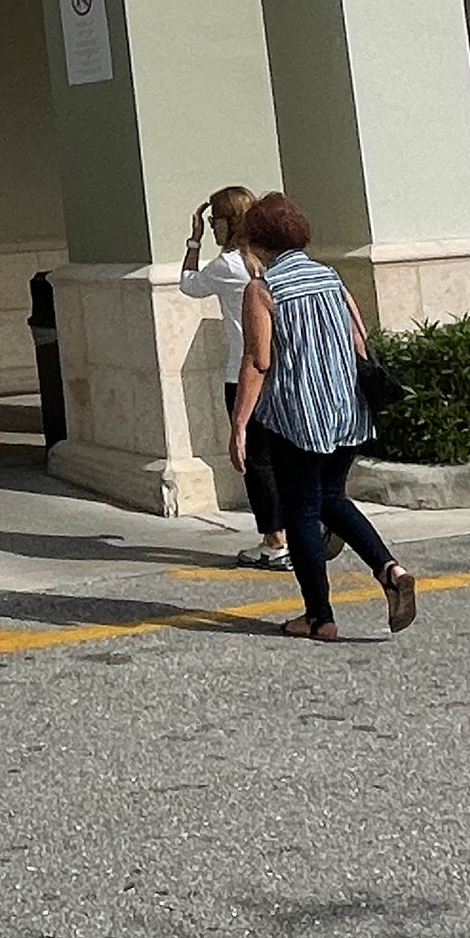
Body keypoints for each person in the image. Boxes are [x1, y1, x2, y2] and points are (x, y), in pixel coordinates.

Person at [229, 192, 417, 643]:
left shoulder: (263, 289)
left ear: (257, 241)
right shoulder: (330, 277)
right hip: (346, 410)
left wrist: (239, 426)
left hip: (296, 416)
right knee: (332, 495)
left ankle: (319, 617)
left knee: (302, 509)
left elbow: (258, 361)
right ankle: (390, 570)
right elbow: (359, 339)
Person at [180, 186, 296, 570]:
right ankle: (301, 529)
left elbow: (188, 284)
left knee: (256, 460)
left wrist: (193, 239)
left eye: (214, 221)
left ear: (228, 222)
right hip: (285, 372)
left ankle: (274, 541)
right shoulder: (272, 261)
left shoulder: (227, 265)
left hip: (244, 372)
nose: (213, 227)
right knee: (286, 455)